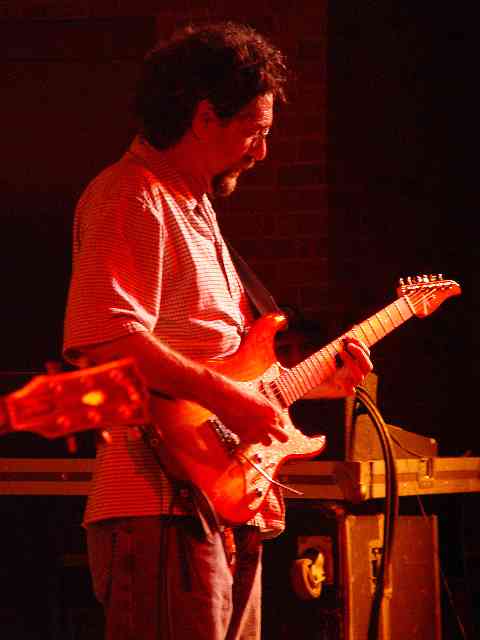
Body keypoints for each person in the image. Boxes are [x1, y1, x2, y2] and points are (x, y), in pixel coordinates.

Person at [63, 21, 372, 640]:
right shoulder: (130, 196)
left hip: (219, 507)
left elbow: (223, 366)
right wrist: (228, 399)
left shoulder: (193, 205)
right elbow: (105, 342)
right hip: (159, 506)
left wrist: (319, 384)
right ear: (205, 118)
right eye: (255, 132)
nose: (262, 152)